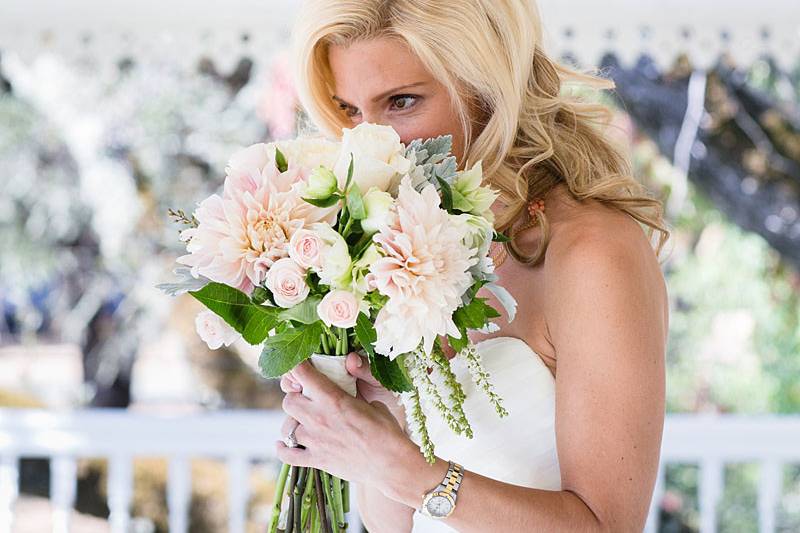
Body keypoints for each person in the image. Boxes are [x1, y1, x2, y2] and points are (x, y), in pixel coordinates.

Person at [277, 0, 671, 531]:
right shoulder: (396, 248)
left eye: (402, 101)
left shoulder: (592, 252)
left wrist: (409, 471)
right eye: (350, 111)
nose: (372, 143)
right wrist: (374, 426)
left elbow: (607, 525)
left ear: (485, 89)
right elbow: (396, 521)